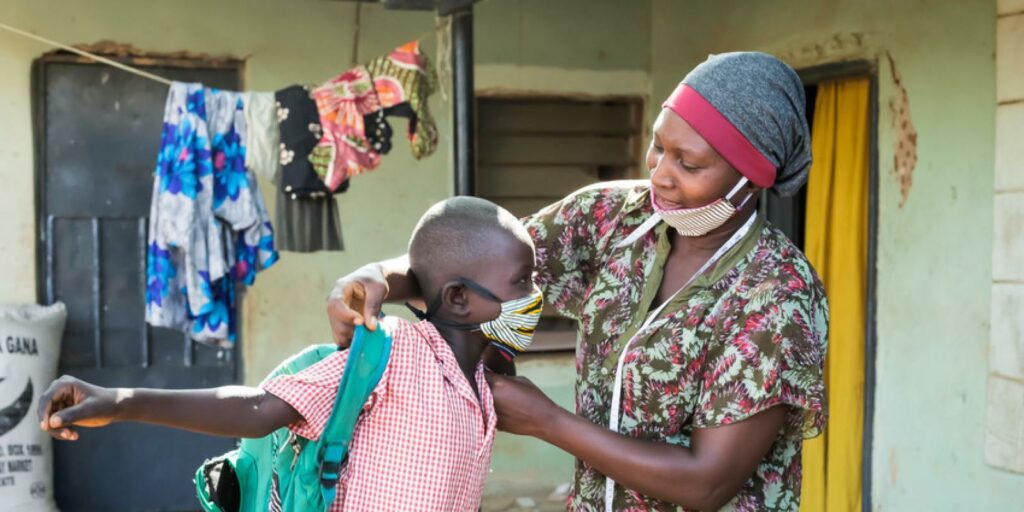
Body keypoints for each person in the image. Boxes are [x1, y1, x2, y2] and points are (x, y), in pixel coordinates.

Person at [325, 52, 829, 511]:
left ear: (752, 177)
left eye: (689, 163)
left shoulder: (775, 295)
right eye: (658, 146)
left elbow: (708, 482)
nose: (660, 175)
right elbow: (473, 266)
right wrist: (379, 279)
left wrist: (549, 422)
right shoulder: (614, 217)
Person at [37, 196, 543, 511]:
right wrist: (122, 401)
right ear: (458, 297)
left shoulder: (482, 378)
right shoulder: (394, 353)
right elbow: (259, 408)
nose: (537, 292)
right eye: (523, 281)